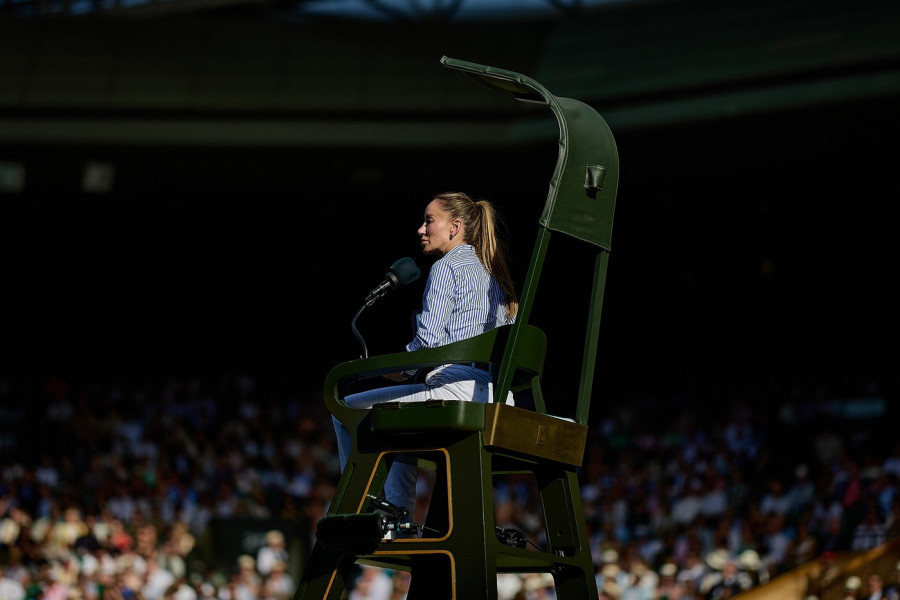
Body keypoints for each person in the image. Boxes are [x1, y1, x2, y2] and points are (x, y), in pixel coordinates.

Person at [332, 191, 519, 517]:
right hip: (495, 396)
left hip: (455, 391)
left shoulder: (447, 266)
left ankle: (365, 508)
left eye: (429, 220)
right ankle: (394, 514)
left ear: (454, 226)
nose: (421, 229)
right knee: (398, 419)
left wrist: (392, 371)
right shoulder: (495, 274)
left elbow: (426, 346)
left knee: (344, 407)